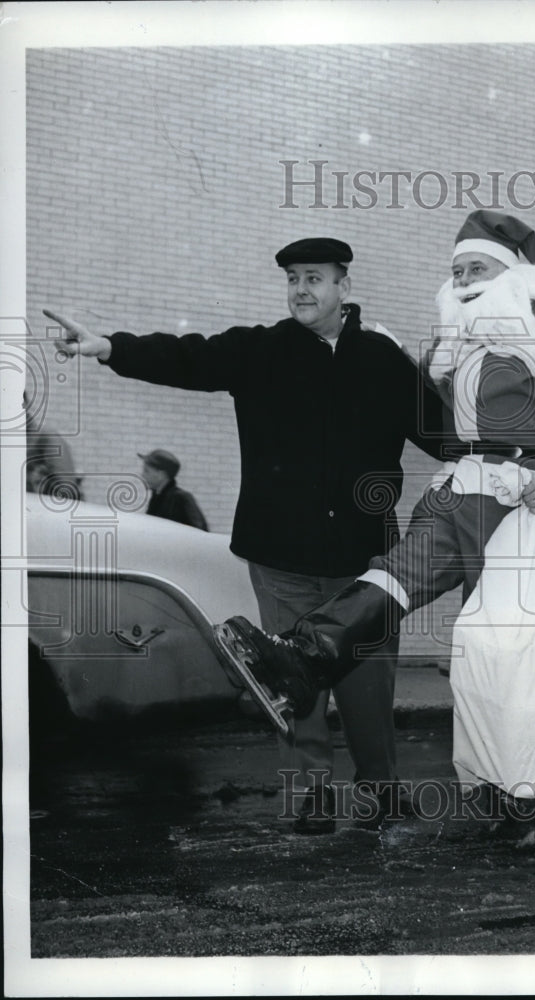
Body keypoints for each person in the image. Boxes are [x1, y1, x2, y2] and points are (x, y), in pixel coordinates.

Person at [219, 211, 535, 847]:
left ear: (511, 272)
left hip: (523, 495)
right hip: (469, 485)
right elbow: (442, 428)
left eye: (477, 267)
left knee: (522, 649)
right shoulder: (463, 341)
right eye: (457, 270)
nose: (465, 279)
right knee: (432, 610)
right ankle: (305, 659)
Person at [44, 236, 453, 835]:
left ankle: (381, 790)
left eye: (314, 278)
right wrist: (110, 347)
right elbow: (187, 357)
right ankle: (310, 797)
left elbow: (444, 439)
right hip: (280, 555)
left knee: (368, 683)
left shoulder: (385, 362)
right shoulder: (261, 350)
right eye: (292, 279)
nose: (301, 289)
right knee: (291, 682)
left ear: (345, 287)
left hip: (363, 561)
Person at [138, 448, 209, 531]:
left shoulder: (181, 498)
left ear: (160, 475)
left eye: (146, 471)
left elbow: (201, 533)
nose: (142, 475)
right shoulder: (156, 497)